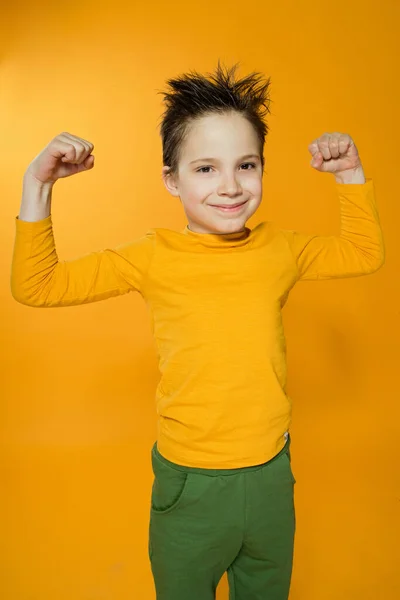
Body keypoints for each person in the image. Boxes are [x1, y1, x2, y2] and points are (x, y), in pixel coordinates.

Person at [10, 62, 385, 600]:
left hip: (271, 476)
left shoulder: (280, 248)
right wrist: (37, 184)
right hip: (191, 487)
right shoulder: (151, 256)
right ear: (172, 179)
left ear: (261, 168)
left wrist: (349, 173)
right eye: (205, 169)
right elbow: (38, 285)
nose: (231, 186)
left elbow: (364, 253)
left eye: (247, 165)